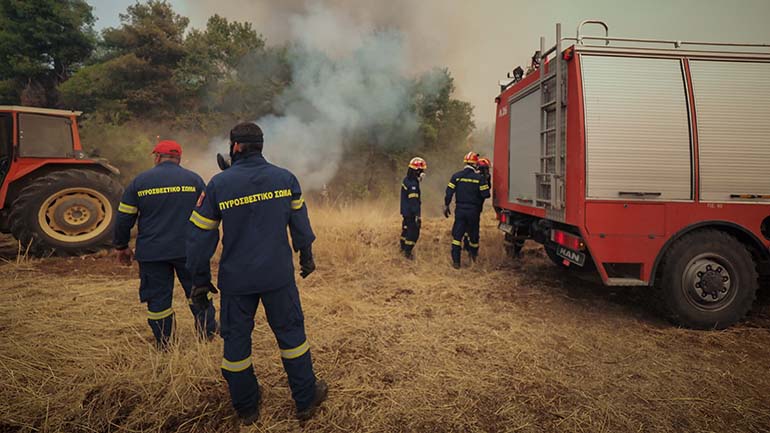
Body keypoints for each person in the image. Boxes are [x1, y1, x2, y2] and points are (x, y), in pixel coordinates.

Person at [186, 122, 327, 425]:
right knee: (292, 337)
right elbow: (300, 226)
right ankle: (305, 401)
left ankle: (247, 409)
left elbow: (200, 239)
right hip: (278, 276)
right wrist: (306, 255)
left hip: (237, 280)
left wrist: (199, 279)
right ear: (261, 146)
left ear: (235, 147)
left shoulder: (218, 185)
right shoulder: (285, 178)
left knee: (236, 343)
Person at [113, 140, 217, 350]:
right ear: (178, 158)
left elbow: (124, 218)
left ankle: (164, 343)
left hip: (153, 253)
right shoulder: (194, 180)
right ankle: (207, 337)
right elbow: (209, 214)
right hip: (189, 251)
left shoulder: (139, 182)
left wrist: (121, 246)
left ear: (157, 158)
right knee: (198, 292)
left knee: (158, 300)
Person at [444, 151, 491, 268]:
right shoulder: (479, 178)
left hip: (460, 210)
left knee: (457, 236)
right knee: (473, 236)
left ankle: (456, 263)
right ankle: (473, 259)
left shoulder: (456, 176)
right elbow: (486, 195)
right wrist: (485, 180)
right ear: (475, 165)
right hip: (473, 211)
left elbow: (449, 192)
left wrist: (446, 205)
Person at [400, 157, 427, 259]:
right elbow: (414, 202)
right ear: (417, 171)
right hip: (411, 213)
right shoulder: (413, 185)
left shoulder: (406, 180)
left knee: (406, 229)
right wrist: (417, 216)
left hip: (405, 211)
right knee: (413, 232)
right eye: (422, 171)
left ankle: (402, 247)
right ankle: (407, 252)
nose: (423, 173)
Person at [463, 157, 492, 253]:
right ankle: (469, 245)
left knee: (469, 225)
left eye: (487, 169)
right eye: (485, 169)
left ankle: (468, 242)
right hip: (472, 205)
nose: (486, 171)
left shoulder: (486, 177)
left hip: (477, 206)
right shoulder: (476, 177)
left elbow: (487, 190)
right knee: (470, 227)